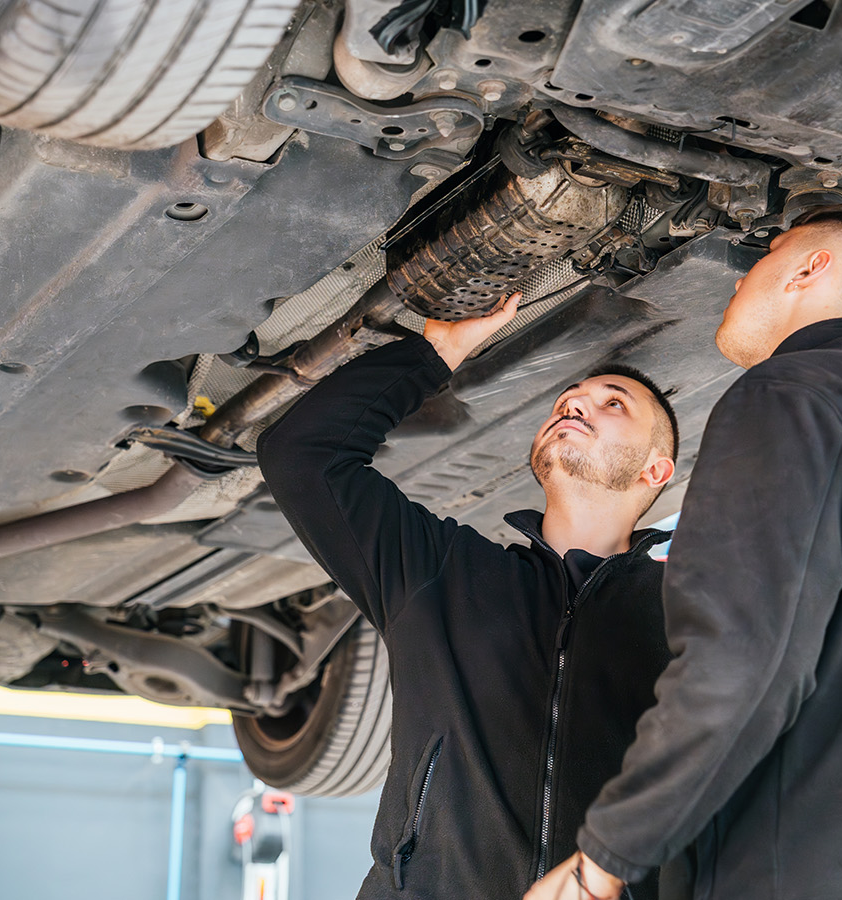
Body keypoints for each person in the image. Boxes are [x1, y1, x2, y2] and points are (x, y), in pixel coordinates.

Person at [529, 204, 842, 900]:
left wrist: (606, 857)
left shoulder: (792, 391)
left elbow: (743, 654)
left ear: (809, 268)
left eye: (765, 255)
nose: (740, 279)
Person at [256, 293, 681, 900]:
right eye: (567, 401)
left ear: (654, 471)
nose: (575, 404)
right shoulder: (444, 573)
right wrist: (437, 351)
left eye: (613, 403)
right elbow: (302, 455)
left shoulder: (687, 615)